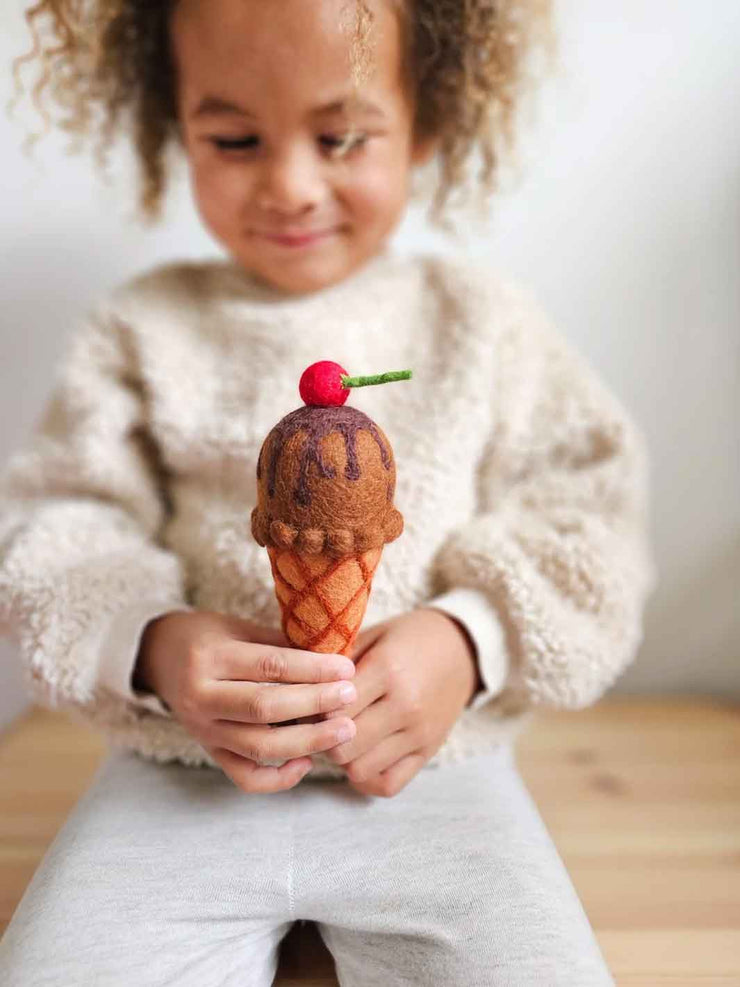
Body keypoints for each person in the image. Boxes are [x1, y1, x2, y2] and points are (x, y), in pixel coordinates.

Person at [0, 0, 657, 983]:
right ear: (170, 122)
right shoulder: (140, 330)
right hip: (176, 776)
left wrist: (468, 642)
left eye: (340, 135)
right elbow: (54, 524)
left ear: (425, 119)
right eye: (233, 138)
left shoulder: (481, 324)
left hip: (439, 783)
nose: (289, 185)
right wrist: (152, 643)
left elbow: (591, 520)